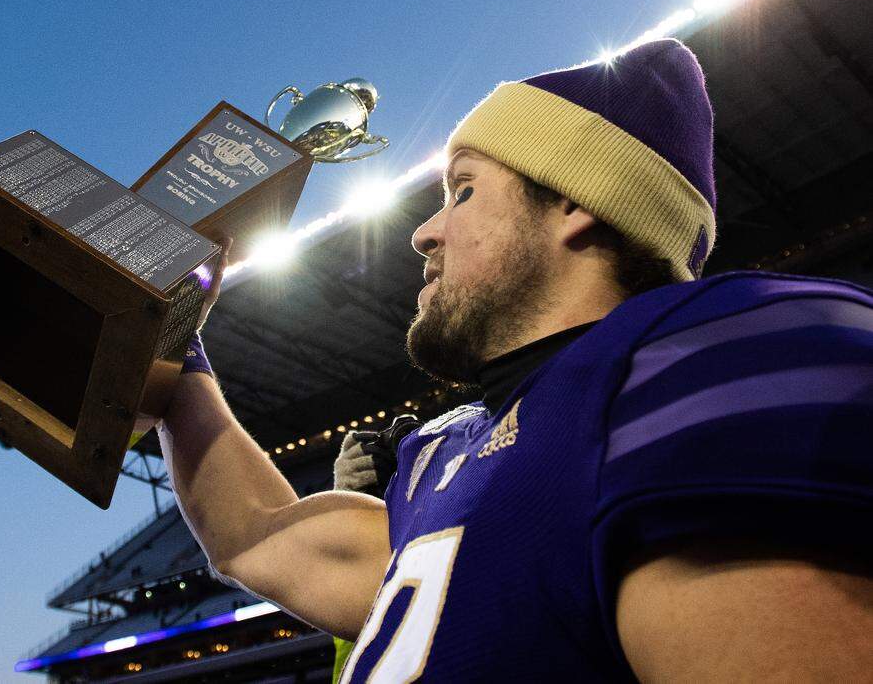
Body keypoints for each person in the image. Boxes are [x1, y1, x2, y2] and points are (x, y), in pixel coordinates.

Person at [160, 38, 873, 681]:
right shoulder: (443, 457)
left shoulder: (695, 363)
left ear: (575, 203)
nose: (424, 232)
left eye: (464, 190)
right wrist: (168, 344)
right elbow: (252, 534)